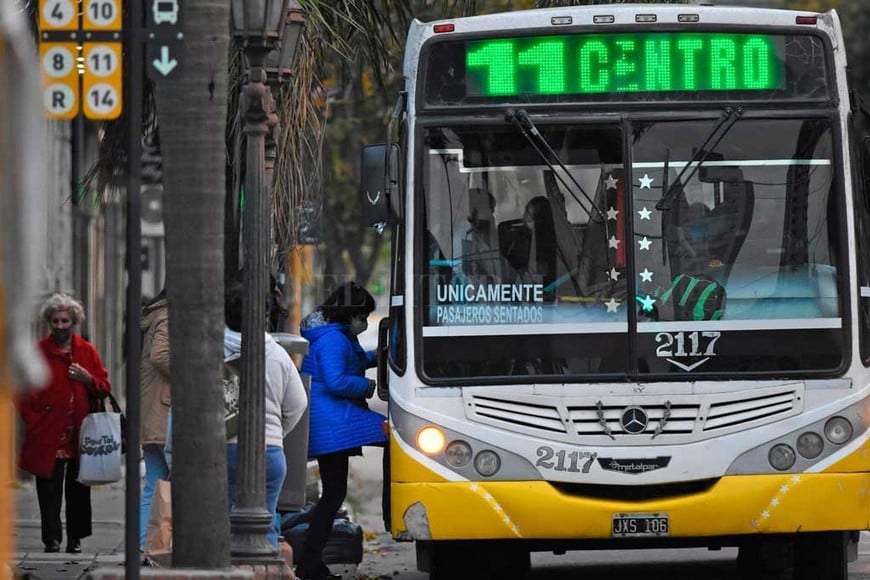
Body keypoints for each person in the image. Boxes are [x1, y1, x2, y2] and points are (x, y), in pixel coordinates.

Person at [295, 281, 387, 580]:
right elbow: (337, 381)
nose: (364, 322)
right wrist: (367, 386)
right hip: (332, 422)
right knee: (333, 495)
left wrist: (378, 355)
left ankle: (311, 564)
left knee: (334, 494)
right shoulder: (333, 339)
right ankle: (309, 564)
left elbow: (353, 361)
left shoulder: (336, 335)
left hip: (334, 419)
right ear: (351, 314)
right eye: (363, 316)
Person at [17, 293, 111, 554]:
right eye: (55, 321)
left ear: (74, 322)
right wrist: (34, 420)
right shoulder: (39, 352)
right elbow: (22, 391)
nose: (60, 326)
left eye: (65, 321)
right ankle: (52, 538)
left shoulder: (86, 351)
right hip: (48, 432)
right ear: (49, 322)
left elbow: (104, 387)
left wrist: (87, 378)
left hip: (81, 433)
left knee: (78, 489)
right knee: (48, 489)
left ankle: (75, 538)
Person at [223, 280, 308, 547]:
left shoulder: (210, 351)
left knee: (221, 524)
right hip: (269, 451)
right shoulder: (278, 356)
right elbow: (298, 404)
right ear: (265, 315)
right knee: (266, 523)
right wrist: (276, 434)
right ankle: (265, 563)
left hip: (222, 450)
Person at [139, 288, 171, 556]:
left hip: (155, 411)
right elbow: (160, 355)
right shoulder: (169, 317)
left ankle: (144, 546)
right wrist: (194, 370)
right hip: (165, 412)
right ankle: (153, 545)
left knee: (153, 483)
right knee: (163, 482)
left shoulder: (157, 315)